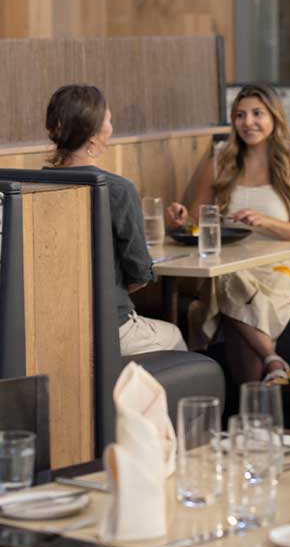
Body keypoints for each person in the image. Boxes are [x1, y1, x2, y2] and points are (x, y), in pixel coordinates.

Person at [166, 85, 290, 384]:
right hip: (235, 265)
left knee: (231, 296)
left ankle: (255, 393)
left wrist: (266, 222)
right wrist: (181, 219)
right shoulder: (220, 163)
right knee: (229, 279)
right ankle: (271, 365)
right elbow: (196, 220)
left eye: (257, 114)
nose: (248, 122)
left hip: (286, 266)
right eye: (240, 115)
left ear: (274, 117)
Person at [44, 85, 187, 356]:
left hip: (51, 328)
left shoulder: (33, 185)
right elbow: (139, 275)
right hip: (110, 328)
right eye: (108, 119)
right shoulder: (118, 189)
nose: (111, 126)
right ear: (93, 134)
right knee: (175, 335)